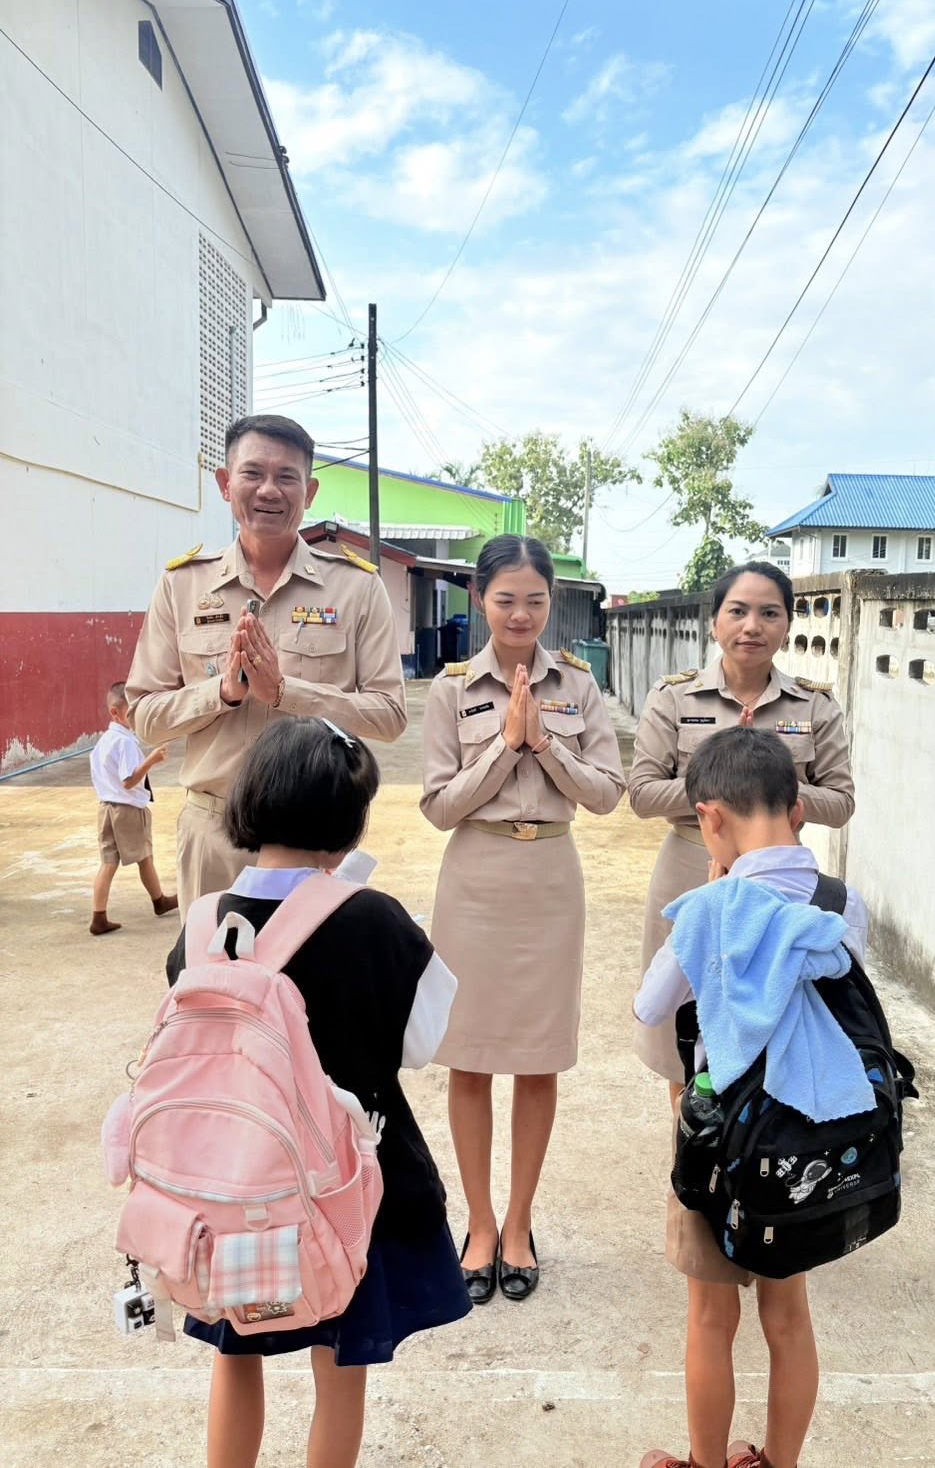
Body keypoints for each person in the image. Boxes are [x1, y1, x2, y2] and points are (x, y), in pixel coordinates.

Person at [165, 717, 470, 1468]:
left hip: (230, 1192)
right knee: (339, 1364)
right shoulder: (372, 917)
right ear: (349, 820)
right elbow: (420, 1047)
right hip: (342, 1197)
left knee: (235, 1353)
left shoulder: (202, 923)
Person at [633, 728, 869, 1468]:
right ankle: (778, 1462)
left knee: (711, 1316)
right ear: (797, 810)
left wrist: (714, 899)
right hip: (806, 1141)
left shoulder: (711, 908)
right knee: (788, 1317)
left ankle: (707, 1462)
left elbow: (650, 1006)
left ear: (709, 818)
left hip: (721, 1143)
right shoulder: (841, 903)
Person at [420, 535, 625, 1303]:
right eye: (505, 599)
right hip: (475, 878)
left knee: (539, 1060)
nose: (520, 613)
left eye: (534, 600)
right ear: (480, 598)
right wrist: (507, 748)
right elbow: (440, 805)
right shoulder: (451, 690)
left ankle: (518, 1223)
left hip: (550, 882)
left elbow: (606, 793)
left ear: (550, 602)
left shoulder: (578, 684)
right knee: (469, 1058)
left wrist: (544, 742)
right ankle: (478, 1223)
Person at [127, 413, 406, 916]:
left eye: (286, 476)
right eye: (253, 473)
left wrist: (285, 692)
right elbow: (145, 717)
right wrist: (222, 693)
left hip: (317, 840)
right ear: (225, 483)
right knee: (213, 966)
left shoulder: (357, 587)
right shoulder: (182, 585)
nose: (269, 490)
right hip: (214, 836)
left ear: (310, 491)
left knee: (315, 968)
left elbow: (389, 714)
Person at [629, 561, 855, 1088]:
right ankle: (689, 1137)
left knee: (775, 1025)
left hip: (781, 884)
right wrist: (727, 785)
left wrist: (773, 787)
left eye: (769, 613)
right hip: (690, 866)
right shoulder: (675, 697)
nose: (752, 626)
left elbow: (841, 802)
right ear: (715, 622)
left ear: (787, 625)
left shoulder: (814, 705)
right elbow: (641, 793)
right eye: (738, 611)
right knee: (684, 1032)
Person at [88, 681, 178, 934]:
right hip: (127, 810)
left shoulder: (104, 741)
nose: (136, 716)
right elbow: (129, 781)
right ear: (115, 712)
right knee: (145, 857)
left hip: (106, 808)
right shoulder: (125, 742)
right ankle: (159, 901)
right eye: (131, 711)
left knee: (108, 863)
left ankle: (98, 917)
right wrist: (152, 760)